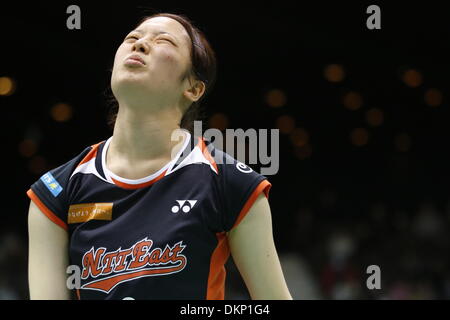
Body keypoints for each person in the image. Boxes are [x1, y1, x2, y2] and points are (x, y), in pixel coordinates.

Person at [27, 12, 292, 300]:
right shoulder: (55, 194)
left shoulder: (231, 184)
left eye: (163, 41)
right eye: (132, 38)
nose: (139, 45)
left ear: (192, 88)